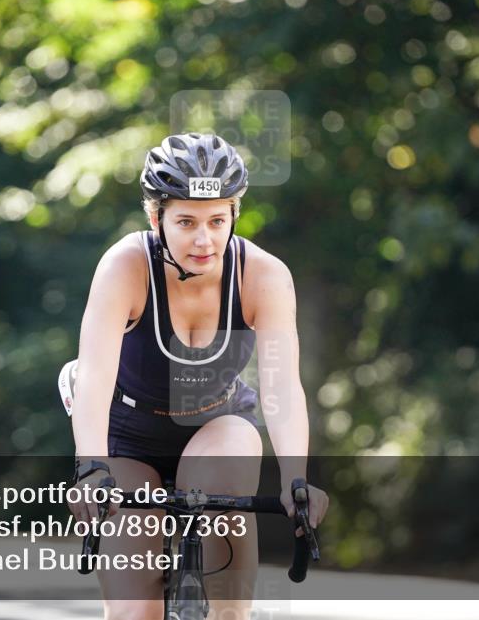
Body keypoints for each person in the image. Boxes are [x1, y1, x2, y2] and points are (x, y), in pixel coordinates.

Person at [66, 132, 328, 620]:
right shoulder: (125, 266)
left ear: (234, 216)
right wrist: (89, 466)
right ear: (156, 218)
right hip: (130, 434)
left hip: (217, 424)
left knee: (224, 552)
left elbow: (281, 387)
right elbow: (96, 374)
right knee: (132, 613)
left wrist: (295, 477)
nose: (203, 239)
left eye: (216, 220)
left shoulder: (264, 276)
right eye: (185, 221)